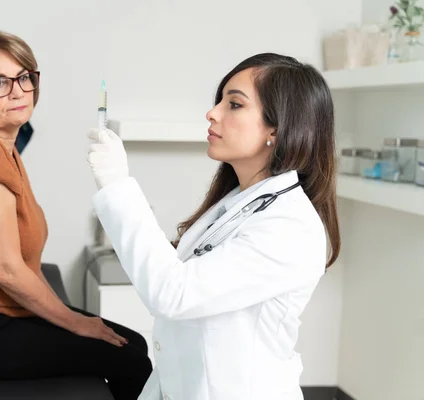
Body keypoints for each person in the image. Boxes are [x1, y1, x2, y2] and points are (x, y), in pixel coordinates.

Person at [87, 53, 341, 400]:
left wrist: (117, 185)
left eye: (234, 104)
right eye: (218, 101)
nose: (212, 113)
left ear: (277, 129)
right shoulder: (238, 202)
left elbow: (173, 293)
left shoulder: (290, 226)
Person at [0, 29, 152, 400]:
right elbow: (9, 271)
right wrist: (76, 322)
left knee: (133, 343)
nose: (17, 91)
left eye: (24, 77)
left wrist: (67, 317)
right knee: (131, 360)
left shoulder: (3, 148)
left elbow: (23, 266)